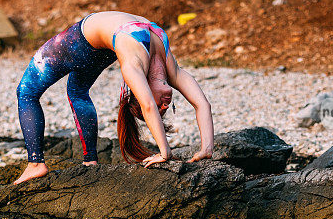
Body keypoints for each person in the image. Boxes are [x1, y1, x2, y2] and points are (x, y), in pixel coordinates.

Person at [14, 10, 214, 184]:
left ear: (139, 91)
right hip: (102, 42)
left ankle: (36, 163)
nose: (164, 106)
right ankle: (90, 161)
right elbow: (202, 104)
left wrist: (170, 152)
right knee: (77, 91)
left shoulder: (134, 66)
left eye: (160, 108)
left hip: (82, 39)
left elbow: (149, 105)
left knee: (26, 92)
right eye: (165, 109)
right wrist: (203, 147)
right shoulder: (171, 68)